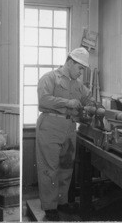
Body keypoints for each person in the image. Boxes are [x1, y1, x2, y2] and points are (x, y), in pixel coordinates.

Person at [36, 47, 93, 221]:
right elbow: (43, 100)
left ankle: (62, 202)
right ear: (70, 62)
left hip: (69, 127)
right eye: (80, 68)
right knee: (49, 168)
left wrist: (92, 106)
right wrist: (68, 102)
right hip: (50, 126)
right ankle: (50, 207)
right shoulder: (49, 78)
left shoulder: (78, 85)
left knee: (66, 167)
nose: (81, 72)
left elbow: (88, 98)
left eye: (83, 69)